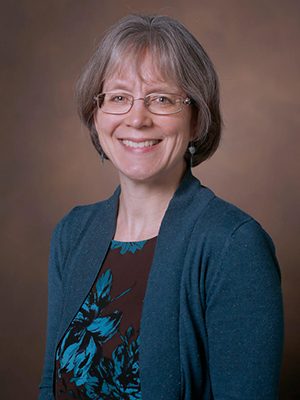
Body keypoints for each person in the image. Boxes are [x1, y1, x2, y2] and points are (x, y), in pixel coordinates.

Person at [39, 13, 284, 400]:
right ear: (96, 115)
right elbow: (50, 384)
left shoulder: (232, 245)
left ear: (196, 118)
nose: (137, 118)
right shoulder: (72, 233)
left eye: (162, 99)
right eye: (118, 97)